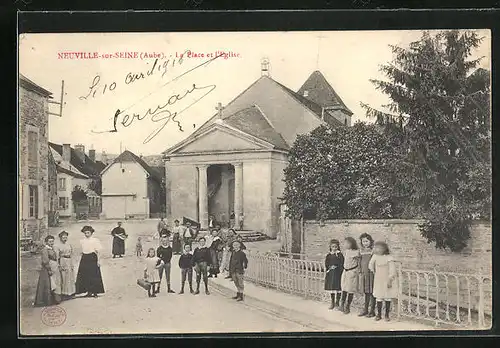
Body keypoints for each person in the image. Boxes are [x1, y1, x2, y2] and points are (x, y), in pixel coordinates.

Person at [369, 241, 399, 321]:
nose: (376, 249)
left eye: (378, 248)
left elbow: (392, 270)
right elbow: (370, 264)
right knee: (379, 296)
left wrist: (390, 279)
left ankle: (386, 315)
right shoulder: (375, 256)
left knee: (387, 297)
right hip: (378, 279)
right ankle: (379, 314)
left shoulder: (389, 257)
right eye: (375, 248)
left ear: (384, 249)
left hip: (386, 279)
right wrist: (374, 271)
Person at [75, 225, 105, 298]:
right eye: (85, 233)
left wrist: (98, 260)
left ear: (91, 233)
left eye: (88, 233)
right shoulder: (82, 241)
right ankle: (88, 291)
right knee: (85, 275)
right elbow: (81, 251)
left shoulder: (95, 240)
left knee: (93, 275)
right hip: (85, 258)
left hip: (92, 258)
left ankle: (95, 292)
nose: (86, 234)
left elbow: (99, 251)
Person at [34, 235, 61, 306]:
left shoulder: (52, 248)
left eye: (52, 241)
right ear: (46, 242)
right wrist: (49, 269)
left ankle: (53, 299)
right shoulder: (45, 249)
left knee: (53, 283)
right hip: (46, 269)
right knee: (47, 284)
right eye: (50, 241)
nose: (51, 243)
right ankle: (47, 300)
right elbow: (45, 261)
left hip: (53, 267)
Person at [339, 237, 360, 314]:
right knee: (344, 288)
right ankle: (342, 304)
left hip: (352, 271)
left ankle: (348, 306)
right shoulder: (346, 251)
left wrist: (356, 271)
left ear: (352, 243)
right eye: (345, 243)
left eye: (347, 243)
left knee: (350, 289)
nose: (345, 245)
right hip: (345, 271)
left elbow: (359, 262)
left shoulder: (356, 252)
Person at [358, 233, 376, 317]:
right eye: (363, 241)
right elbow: (360, 262)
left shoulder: (373, 251)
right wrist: (359, 270)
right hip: (364, 274)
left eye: (367, 241)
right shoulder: (361, 251)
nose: (365, 243)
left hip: (372, 274)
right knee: (366, 292)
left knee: (372, 292)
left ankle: (372, 311)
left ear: (370, 241)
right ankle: (365, 309)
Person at [324, 239, 344, 310]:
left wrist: (338, 266)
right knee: (332, 287)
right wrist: (329, 267)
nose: (334, 248)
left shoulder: (340, 255)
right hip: (331, 274)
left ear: (338, 247)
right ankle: (332, 302)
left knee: (338, 287)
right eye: (333, 247)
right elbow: (326, 263)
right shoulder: (329, 255)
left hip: (338, 273)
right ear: (330, 247)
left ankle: (337, 302)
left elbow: (342, 263)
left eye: (336, 247)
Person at [57, 231, 76, 301]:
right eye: (63, 237)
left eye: (66, 237)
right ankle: (64, 293)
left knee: (70, 277)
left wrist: (72, 264)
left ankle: (71, 293)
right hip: (63, 261)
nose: (65, 239)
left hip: (69, 261)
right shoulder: (58, 246)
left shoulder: (69, 244)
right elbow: (57, 256)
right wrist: (59, 265)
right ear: (60, 238)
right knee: (64, 277)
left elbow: (72, 253)